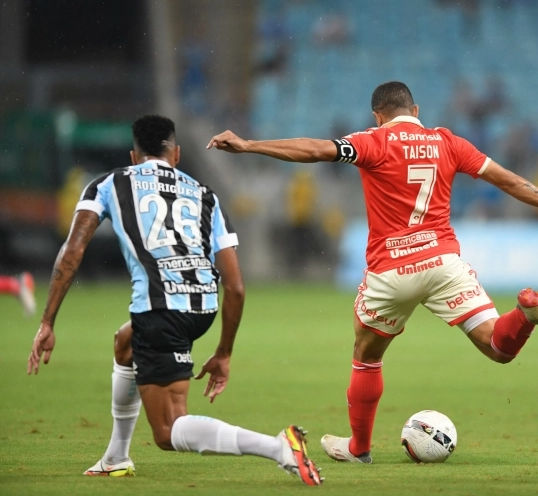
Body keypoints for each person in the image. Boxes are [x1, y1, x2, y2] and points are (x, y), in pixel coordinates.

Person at [207, 81, 538, 463]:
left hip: (392, 270)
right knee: (497, 347)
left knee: (366, 355)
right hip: (443, 262)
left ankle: (359, 448)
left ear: (378, 115)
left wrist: (249, 145)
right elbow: (507, 179)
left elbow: (314, 149)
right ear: (416, 110)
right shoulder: (448, 142)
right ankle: (525, 313)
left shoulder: (372, 141)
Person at [26, 115, 323, 485]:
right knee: (125, 344)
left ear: (133, 156)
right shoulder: (206, 194)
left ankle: (279, 447)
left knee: (168, 431)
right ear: (177, 154)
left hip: (161, 309)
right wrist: (224, 352)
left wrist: (48, 321)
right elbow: (235, 287)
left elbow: (72, 252)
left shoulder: (108, 183)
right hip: (203, 306)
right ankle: (116, 457)